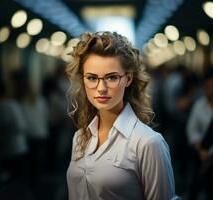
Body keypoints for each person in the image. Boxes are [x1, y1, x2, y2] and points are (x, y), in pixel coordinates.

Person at [65, 31, 180, 200]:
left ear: (128, 79)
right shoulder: (80, 138)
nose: (101, 88)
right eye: (92, 78)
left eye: (111, 78)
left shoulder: (148, 143)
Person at [186, 67, 213, 200]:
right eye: (207, 86)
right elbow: (192, 130)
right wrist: (200, 149)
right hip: (202, 155)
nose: (210, 90)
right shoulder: (199, 105)